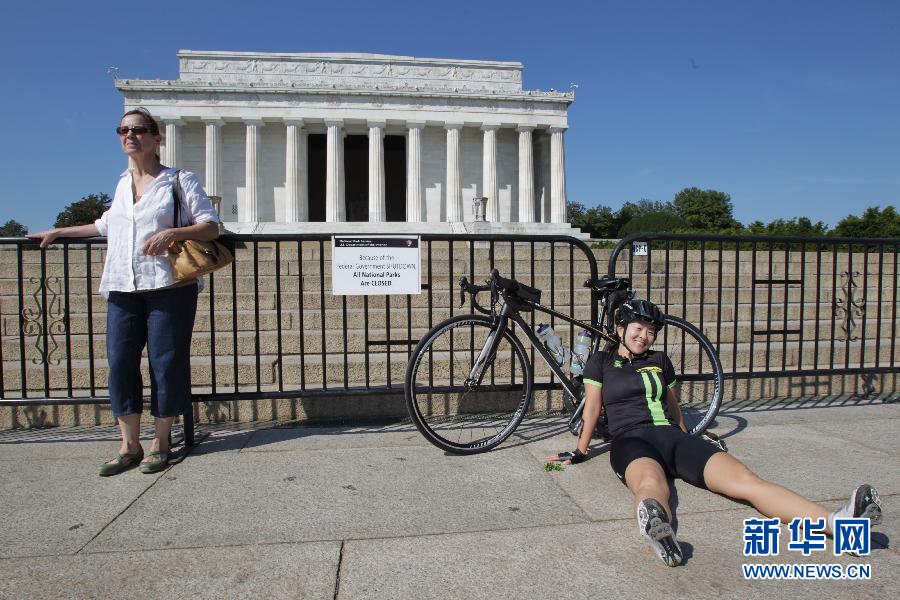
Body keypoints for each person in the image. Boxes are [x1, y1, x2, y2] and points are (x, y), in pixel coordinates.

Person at [548, 299, 883, 567]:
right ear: (621, 328)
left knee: (746, 481)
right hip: (630, 440)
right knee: (652, 485)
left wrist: (688, 437)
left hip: (673, 437)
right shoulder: (601, 362)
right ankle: (658, 531)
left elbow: (673, 405)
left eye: (651, 331)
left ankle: (839, 525)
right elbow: (592, 408)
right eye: (638, 328)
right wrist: (581, 450)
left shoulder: (660, 360)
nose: (644, 336)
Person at [28, 108, 220, 476]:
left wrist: (172, 233)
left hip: (169, 284)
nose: (130, 135)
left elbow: (209, 226)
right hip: (121, 285)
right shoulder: (120, 183)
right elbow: (105, 225)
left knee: (166, 363)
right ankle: (128, 444)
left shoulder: (179, 180)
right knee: (120, 363)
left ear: (157, 137)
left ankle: (160, 442)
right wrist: (58, 232)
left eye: (140, 130)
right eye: (124, 130)